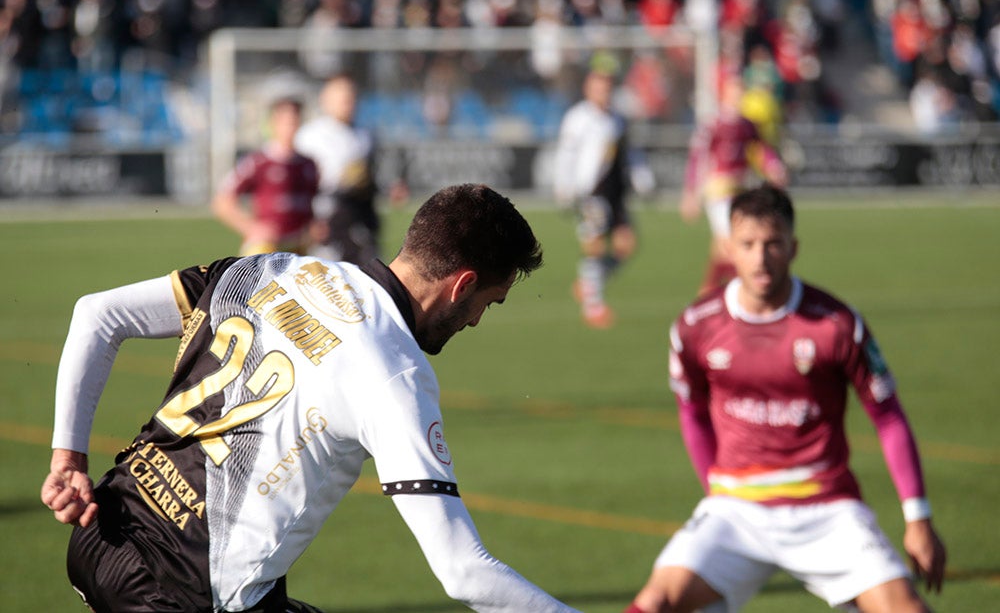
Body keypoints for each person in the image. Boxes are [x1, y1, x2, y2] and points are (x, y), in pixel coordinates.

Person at [40, 183, 581, 613]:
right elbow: (463, 570)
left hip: (102, 530)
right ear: (462, 285)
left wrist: (68, 458)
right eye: (490, 301)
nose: (479, 320)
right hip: (182, 595)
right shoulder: (394, 373)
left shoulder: (270, 267)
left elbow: (98, 314)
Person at [625, 185, 947, 613]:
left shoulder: (837, 324)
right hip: (737, 510)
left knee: (907, 609)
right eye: (748, 244)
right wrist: (714, 490)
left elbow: (887, 417)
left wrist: (918, 518)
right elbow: (692, 412)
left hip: (828, 508)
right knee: (655, 601)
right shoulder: (694, 327)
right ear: (727, 248)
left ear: (793, 247)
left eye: (773, 243)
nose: (761, 257)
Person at [553, 59, 654, 329]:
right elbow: (567, 154)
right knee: (595, 245)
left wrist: (642, 179)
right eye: (599, 86)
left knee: (626, 245)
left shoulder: (618, 119)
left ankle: (588, 282)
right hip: (591, 192)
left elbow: (630, 154)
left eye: (608, 86)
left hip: (616, 192)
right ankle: (593, 305)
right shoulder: (578, 118)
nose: (604, 91)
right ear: (589, 88)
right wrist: (564, 186)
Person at [680, 75, 786, 297]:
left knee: (725, 245)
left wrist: (774, 167)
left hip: (740, 189)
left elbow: (761, 149)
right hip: (718, 190)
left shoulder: (747, 124)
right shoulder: (713, 124)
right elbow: (697, 157)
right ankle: (728, 289)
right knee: (729, 241)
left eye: (741, 91)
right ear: (724, 94)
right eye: (734, 91)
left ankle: (712, 293)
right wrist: (691, 193)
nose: (738, 95)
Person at [294, 73, 408, 265]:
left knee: (369, 276)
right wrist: (308, 221)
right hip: (326, 222)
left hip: (361, 220)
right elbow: (298, 184)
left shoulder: (365, 135)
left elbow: (373, 177)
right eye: (342, 98)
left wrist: (389, 188)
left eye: (352, 97)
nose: (348, 103)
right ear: (326, 99)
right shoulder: (309, 137)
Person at [212, 96, 320, 256]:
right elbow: (222, 202)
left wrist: (315, 226)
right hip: (267, 246)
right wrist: (251, 227)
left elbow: (315, 203)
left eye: (294, 121)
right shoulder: (257, 162)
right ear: (273, 123)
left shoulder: (308, 164)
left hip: (299, 246)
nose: (290, 127)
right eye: (285, 122)